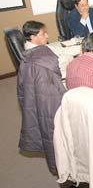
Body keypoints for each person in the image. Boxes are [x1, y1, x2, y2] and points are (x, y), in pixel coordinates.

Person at [17, 25, 67, 174]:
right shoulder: (43, 57)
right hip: (50, 103)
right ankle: (66, 168)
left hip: (37, 100)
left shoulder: (27, 56)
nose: (47, 36)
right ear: (32, 37)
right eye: (43, 33)